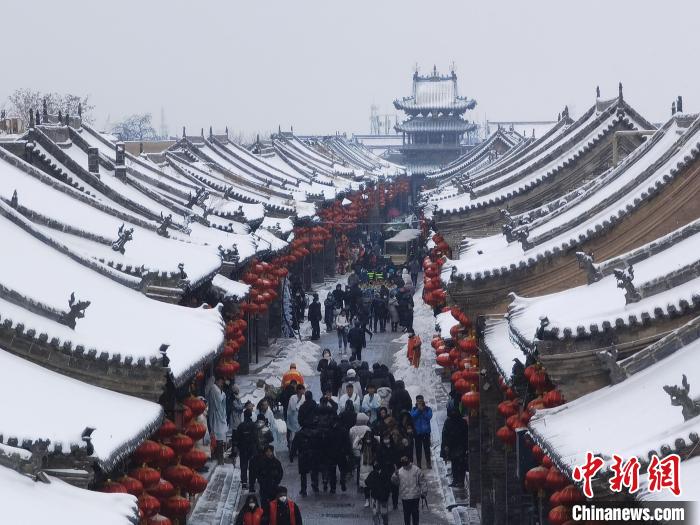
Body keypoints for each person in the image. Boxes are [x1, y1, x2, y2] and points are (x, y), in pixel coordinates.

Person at [391, 456, 426, 525]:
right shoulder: (399, 472)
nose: (406, 466)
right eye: (404, 464)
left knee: (415, 514)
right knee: (407, 515)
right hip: (405, 497)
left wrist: (424, 491)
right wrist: (395, 475)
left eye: (406, 464)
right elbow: (395, 483)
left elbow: (422, 481)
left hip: (414, 497)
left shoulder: (416, 470)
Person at [441, 407, 469, 488]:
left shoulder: (449, 422)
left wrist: (446, 445)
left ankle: (457, 480)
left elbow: (445, 435)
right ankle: (459, 481)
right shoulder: (462, 422)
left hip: (456, 446)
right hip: (459, 446)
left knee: (456, 464)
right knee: (459, 464)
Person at [290, 426, 320, 496]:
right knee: (314, 471)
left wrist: (291, 455)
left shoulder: (299, 434)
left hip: (303, 455)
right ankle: (315, 485)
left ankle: (303, 489)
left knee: (303, 474)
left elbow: (294, 445)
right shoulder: (315, 433)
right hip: (313, 454)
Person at [233, 409, 257, 489]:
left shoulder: (240, 426)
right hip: (252, 448)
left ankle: (244, 482)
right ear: (250, 415)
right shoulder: (254, 425)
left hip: (243, 448)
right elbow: (256, 437)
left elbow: (237, 438)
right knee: (252, 466)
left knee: (243, 465)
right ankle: (252, 482)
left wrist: (237, 446)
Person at [207, 377, 228, 464]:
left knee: (219, 435)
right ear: (217, 381)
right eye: (221, 382)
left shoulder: (216, 389)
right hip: (216, 414)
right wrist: (223, 394)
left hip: (219, 414)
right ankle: (218, 457)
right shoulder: (214, 389)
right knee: (217, 435)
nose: (222, 384)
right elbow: (219, 400)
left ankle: (219, 456)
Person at [410, 395, 433, 469]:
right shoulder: (414, 409)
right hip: (417, 432)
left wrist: (422, 411)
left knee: (427, 448)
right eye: (418, 401)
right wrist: (418, 410)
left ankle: (428, 462)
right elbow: (412, 417)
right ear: (416, 401)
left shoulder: (428, 409)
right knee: (418, 449)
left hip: (426, 432)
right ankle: (419, 463)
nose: (419, 402)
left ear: (423, 401)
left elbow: (428, 417)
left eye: (421, 401)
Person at [359, 430, 379, 507]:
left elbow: (379, 440)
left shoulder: (375, 446)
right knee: (365, 486)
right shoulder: (362, 446)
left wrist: (375, 437)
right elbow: (354, 445)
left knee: (373, 486)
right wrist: (360, 437)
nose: (368, 439)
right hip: (364, 468)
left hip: (372, 468)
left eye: (369, 437)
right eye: (366, 437)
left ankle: (373, 500)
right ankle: (367, 500)